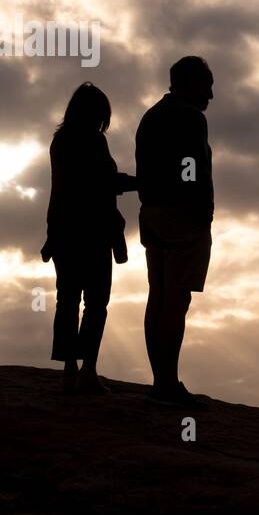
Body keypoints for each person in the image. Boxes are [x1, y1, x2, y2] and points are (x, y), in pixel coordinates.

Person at [41, 82, 137, 394]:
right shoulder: (94, 141)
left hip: (65, 232)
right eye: (101, 116)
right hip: (92, 233)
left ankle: (71, 371)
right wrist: (141, 182)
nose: (102, 123)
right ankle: (88, 372)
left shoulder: (61, 141)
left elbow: (64, 189)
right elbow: (104, 183)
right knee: (96, 304)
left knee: (68, 300)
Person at [135, 55, 214, 408]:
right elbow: (190, 168)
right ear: (188, 82)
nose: (211, 93)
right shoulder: (188, 117)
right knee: (176, 300)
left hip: (152, 213)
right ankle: (167, 383)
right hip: (182, 216)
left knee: (159, 297)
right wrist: (199, 210)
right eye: (206, 84)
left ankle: (161, 381)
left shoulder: (151, 116)